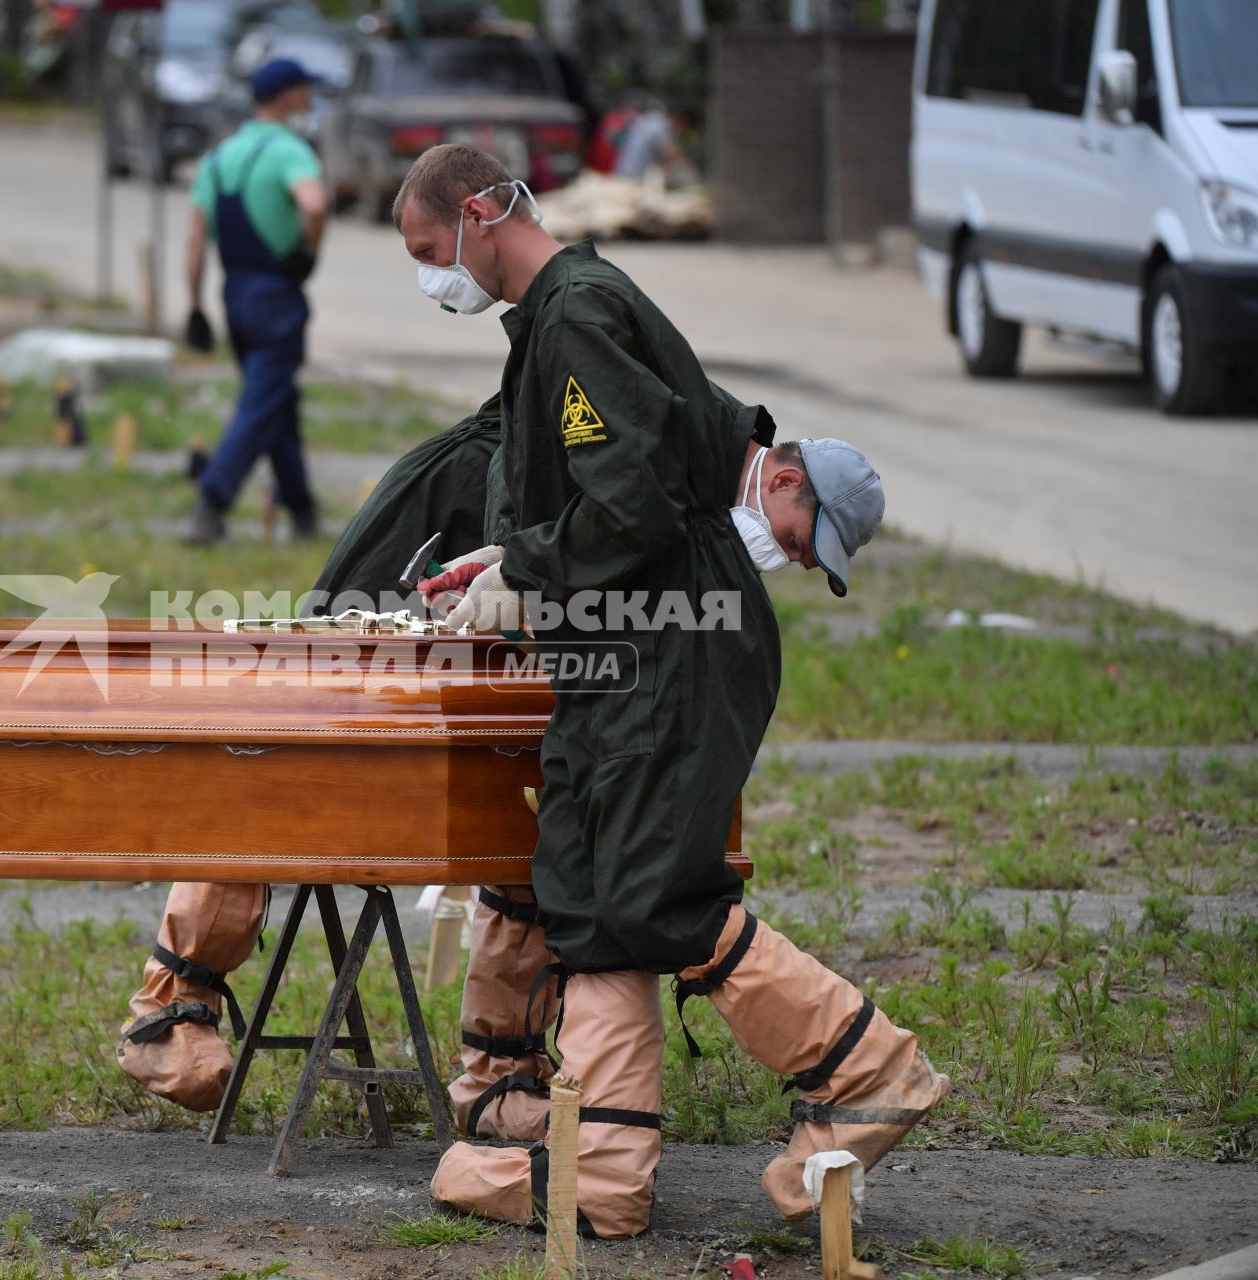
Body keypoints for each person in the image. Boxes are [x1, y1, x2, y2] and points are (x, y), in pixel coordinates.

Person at [395, 143, 948, 1236]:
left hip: (670, 648)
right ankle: (603, 1168)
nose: (429, 275)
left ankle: (871, 1067)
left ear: (476, 212)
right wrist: (509, 558)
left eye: (426, 250)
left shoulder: (577, 314)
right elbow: (633, 484)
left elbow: (635, 509)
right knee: (594, 892)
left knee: (650, 895)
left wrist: (528, 566)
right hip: (648, 645)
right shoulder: (569, 311)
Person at [120, 398, 570, 1142]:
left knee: (526, 793)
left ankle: (501, 1072)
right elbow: (518, 484)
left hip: (482, 549)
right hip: (437, 539)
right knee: (290, 753)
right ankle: (169, 1007)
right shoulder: (562, 394)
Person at [181, 57, 330, 547]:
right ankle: (212, 502)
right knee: (261, 403)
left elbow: (197, 238)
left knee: (276, 405)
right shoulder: (290, 151)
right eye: (306, 90)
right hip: (275, 295)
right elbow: (314, 204)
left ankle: (303, 512)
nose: (309, 98)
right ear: (288, 96)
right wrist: (307, 253)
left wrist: (195, 307)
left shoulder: (219, 156)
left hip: (233, 294)